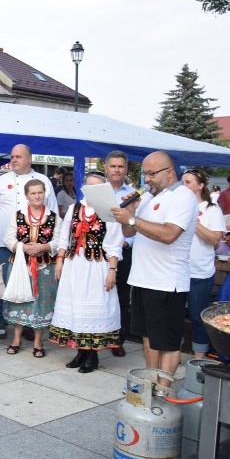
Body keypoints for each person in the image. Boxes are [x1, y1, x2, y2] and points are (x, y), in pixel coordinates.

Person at [111, 151, 196, 387]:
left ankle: (164, 390)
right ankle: (151, 384)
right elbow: (129, 232)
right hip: (142, 279)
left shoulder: (182, 197)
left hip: (167, 281)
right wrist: (132, 212)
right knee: (148, 336)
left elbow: (169, 234)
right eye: (144, 174)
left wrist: (131, 219)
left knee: (167, 341)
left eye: (151, 173)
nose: (146, 179)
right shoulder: (148, 197)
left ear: (169, 172)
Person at [50, 172, 122, 373]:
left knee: (94, 306)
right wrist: (59, 261)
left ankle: (93, 355)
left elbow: (114, 245)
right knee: (75, 307)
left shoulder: (110, 211)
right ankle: (81, 351)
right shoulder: (74, 208)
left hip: (97, 265)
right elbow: (64, 237)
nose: (93, 191)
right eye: (89, 186)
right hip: (75, 265)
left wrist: (112, 270)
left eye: (97, 187)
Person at [0, 144, 57, 340]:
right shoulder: (2, 180)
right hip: (3, 242)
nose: (13, 160)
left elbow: (53, 212)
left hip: (34, 245)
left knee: (31, 284)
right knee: (3, 282)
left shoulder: (42, 180)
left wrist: (47, 245)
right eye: (12, 157)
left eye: (18, 157)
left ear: (29, 159)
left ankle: (27, 323)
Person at [3, 179, 60, 357]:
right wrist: (23, 247)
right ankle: (17, 338)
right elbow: (8, 238)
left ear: (45, 194)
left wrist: (44, 247)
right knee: (20, 300)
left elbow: (59, 241)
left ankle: (37, 341)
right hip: (20, 266)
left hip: (44, 268)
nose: (37, 196)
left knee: (41, 302)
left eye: (40, 192)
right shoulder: (17, 215)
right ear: (27, 195)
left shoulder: (54, 217)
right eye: (33, 193)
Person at [182, 168, 225, 360]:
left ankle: (198, 359)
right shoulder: (178, 206)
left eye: (188, 182)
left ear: (200, 186)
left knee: (197, 317)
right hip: (177, 270)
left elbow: (215, 239)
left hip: (199, 272)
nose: (184, 186)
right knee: (174, 316)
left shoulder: (211, 209)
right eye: (183, 181)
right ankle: (174, 352)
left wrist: (194, 221)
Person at [104, 151, 136, 357]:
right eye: (113, 166)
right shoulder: (95, 191)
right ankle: (97, 335)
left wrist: (125, 241)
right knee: (98, 295)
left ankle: (118, 340)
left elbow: (139, 222)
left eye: (120, 166)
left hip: (123, 252)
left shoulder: (134, 195)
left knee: (121, 296)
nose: (116, 170)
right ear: (106, 168)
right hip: (96, 254)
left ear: (126, 169)